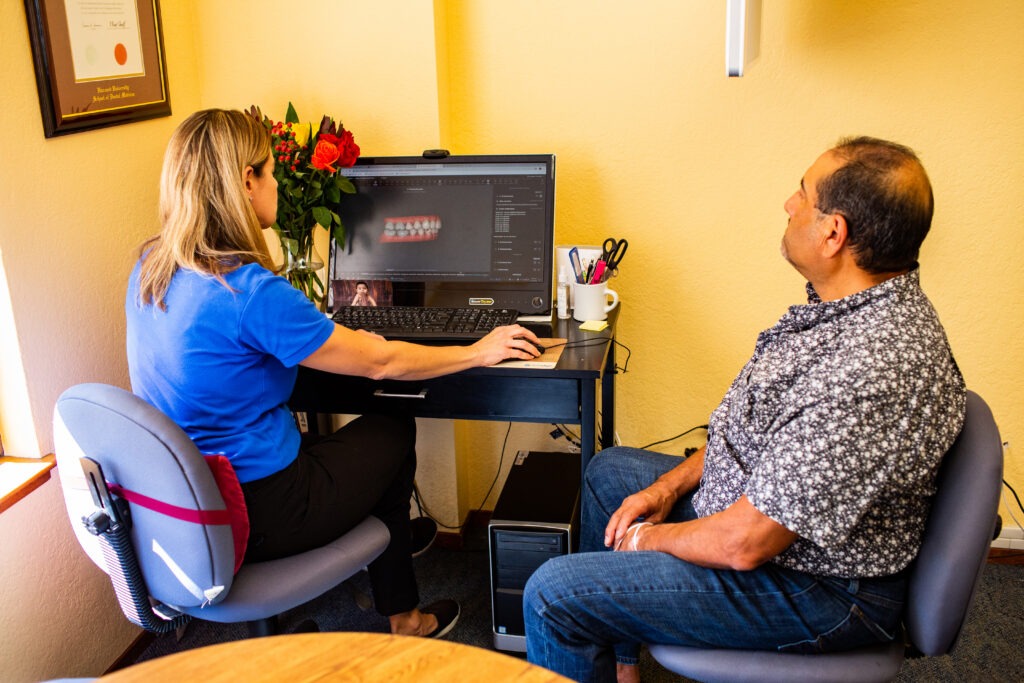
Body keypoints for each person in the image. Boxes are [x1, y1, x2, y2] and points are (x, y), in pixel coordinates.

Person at [523, 137, 966, 682]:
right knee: (608, 473)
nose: (788, 204)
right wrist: (666, 489)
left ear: (833, 233)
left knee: (553, 595)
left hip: (818, 588)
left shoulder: (868, 369)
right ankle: (621, 664)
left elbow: (745, 541)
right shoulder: (847, 311)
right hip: (767, 524)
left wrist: (647, 540)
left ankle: (586, 617)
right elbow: (747, 432)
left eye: (803, 194)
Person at [126, 109, 542, 639]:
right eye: (271, 171)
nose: (277, 184)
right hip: (262, 511)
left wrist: (329, 336)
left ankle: (384, 547)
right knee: (392, 428)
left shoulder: (150, 269)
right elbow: (382, 363)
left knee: (357, 444)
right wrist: (478, 351)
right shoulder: (248, 291)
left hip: (185, 506)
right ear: (246, 182)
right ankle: (404, 613)